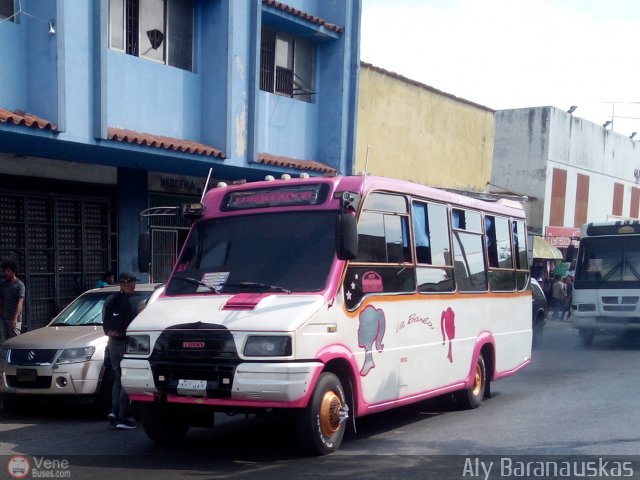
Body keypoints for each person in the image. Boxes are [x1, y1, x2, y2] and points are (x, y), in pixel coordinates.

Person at [103, 272, 145, 430]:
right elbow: (142, 327)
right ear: (133, 284)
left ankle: (114, 412)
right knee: (126, 380)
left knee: (117, 378)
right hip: (129, 345)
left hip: (113, 343)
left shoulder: (109, 300)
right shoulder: (138, 302)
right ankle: (122, 417)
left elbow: (105, 321)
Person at [0, 260, 25, 343]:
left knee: (15, 342)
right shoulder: (3, 285)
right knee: (3, 342)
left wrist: (15, 318)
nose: (5, 273)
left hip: (14, 319)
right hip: (3, 318)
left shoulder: (19, 285)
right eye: (4, 271)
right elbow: (1, 300)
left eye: (8, 271)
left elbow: (20, 302)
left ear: (13, 271)